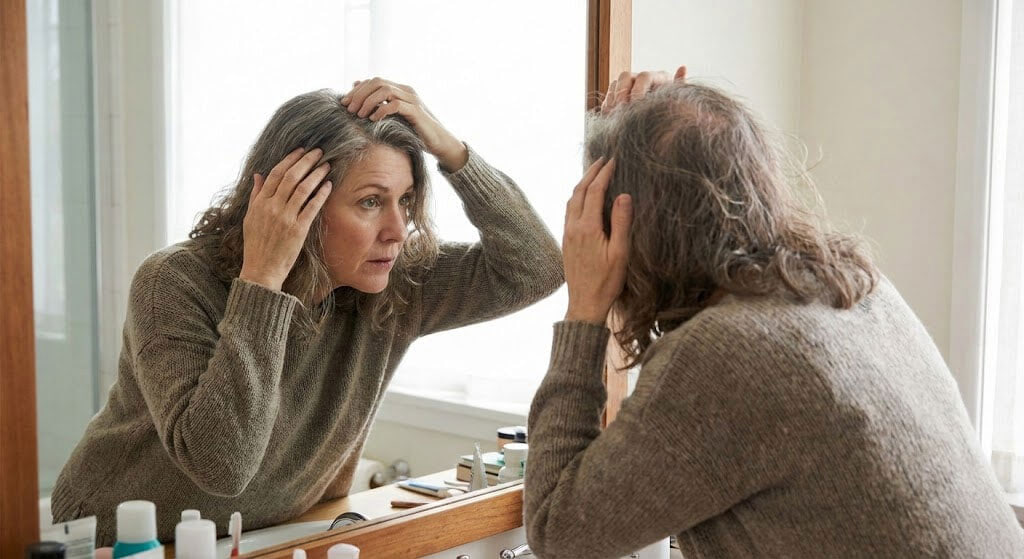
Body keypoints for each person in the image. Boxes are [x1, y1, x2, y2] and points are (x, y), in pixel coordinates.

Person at [524, 70, 1024, 557]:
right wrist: (649, 131)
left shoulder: (724, 353)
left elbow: (557, 532)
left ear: (629, 227)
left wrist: (585, 309)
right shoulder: (851, 284)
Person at [51, 78, 564, 546]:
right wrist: (263, 280)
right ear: (296, 202)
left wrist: (452, 152)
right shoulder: (174, 283)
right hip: (118, 538)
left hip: (269, 537)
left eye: (405, 200)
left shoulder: (391, 282)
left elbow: (536, 269)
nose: (397, 229)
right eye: (369, 202)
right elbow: (222, 465)